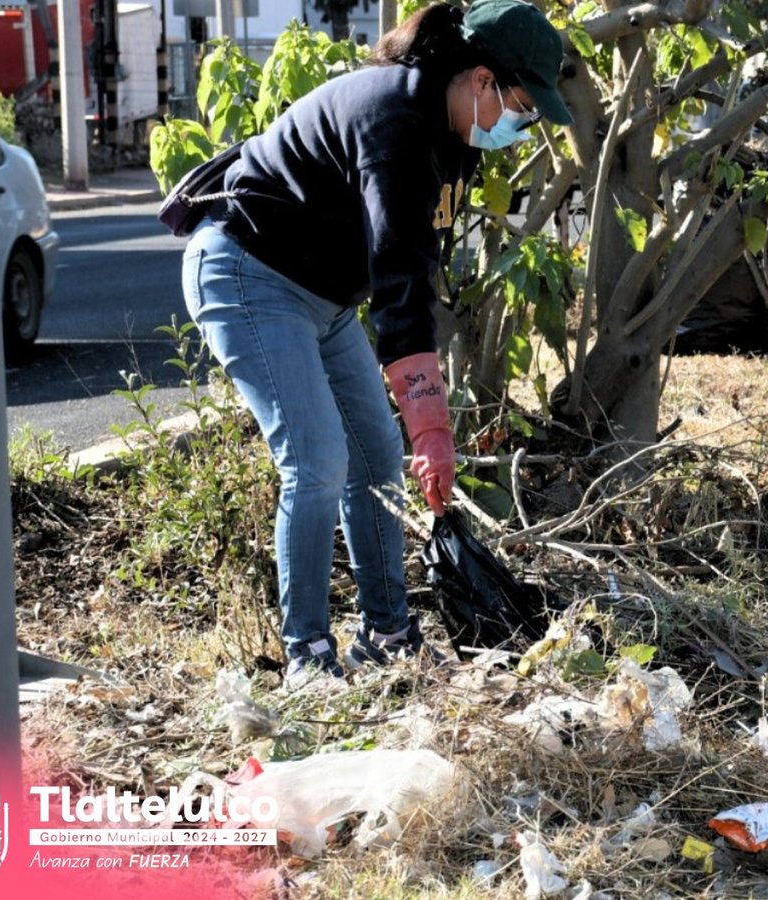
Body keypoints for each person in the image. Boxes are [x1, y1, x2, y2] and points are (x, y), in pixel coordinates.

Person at [180, 0, 572, 684]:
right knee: (317, 460)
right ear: (482, 81)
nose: (523, 124)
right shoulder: (396, 118)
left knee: (376, 457)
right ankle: (308, 659)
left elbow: (419, 267)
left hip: (325, 298)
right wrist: (432, 425)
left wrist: (423, 424)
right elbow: (398, 280)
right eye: (522, 106)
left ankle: (388, 634)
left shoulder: (452, 136)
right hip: (248, 273)